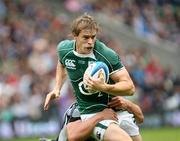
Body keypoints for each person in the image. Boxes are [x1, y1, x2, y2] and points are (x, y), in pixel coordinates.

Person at [44, 13, 140, 141]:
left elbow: (130, 88)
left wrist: (103, 87)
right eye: (86, 37)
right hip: (92, 113)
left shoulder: (106, 55)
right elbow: (61, 64)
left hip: (117, 110)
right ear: (75, 36)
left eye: (93, 37)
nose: (90, 42)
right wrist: (57, 88)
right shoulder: (64, 49)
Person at [41, 96, 143, 141]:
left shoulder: (114, 100)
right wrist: (101, 116)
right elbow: (72, 136)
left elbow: (140, 118)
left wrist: (128, 104)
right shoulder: (78, 109)